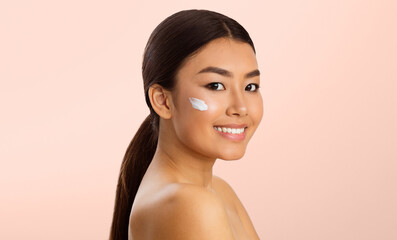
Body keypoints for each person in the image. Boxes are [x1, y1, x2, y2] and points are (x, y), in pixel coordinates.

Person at [110, 9, 263, 240]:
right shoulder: (191, 204)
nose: (241, 108)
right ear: (162, 101)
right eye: (215, 86)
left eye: (250, 86)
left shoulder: (218, 191)